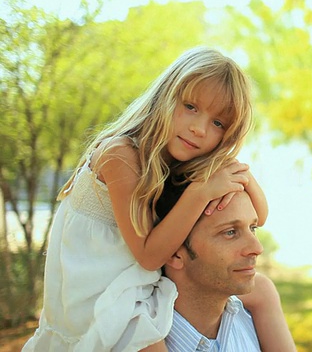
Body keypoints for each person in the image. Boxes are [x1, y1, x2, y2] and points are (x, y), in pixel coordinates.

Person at [23, 47, 290, 351]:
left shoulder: (183, 158)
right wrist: (202, 192)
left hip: (138, 282)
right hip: (97, 294)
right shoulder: (120, 155)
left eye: (218, 124)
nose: (199, 128)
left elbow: (260, 214)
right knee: (148, 340)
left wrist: (233, 167)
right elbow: (149, 255)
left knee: (263, 292)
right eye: (190, 106)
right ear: (166, 94)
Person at [156, 183, 295, 351]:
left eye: (253, 228)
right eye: (230, 232)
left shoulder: (254, 313)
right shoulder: (136, 339)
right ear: (174, 253)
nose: (257, 248)